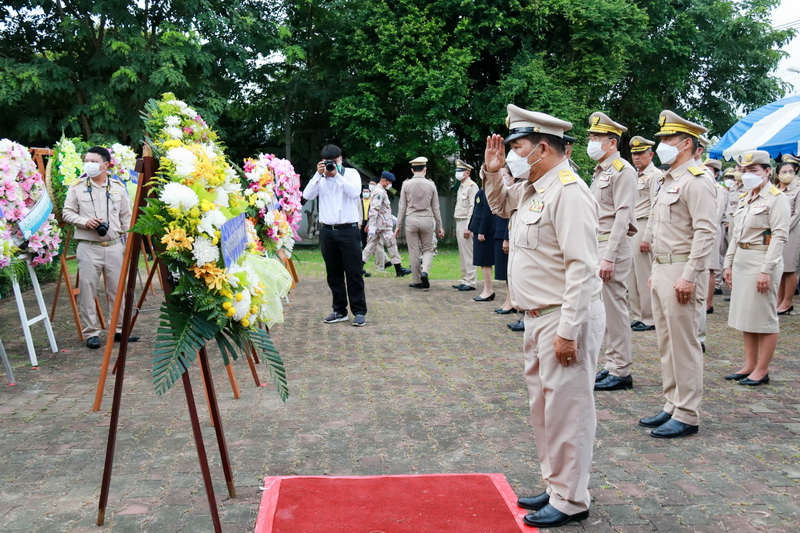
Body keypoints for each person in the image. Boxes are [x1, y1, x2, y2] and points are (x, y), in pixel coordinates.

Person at [484, 104, 604, 528]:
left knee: (568, 410)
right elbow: (499, 205)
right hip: (536, 315)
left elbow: (583, 268)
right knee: (544, 408)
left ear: (544, 149)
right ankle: (556, 486)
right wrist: (495, 170)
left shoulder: (568, 191)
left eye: (517, 147)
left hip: (562, 315)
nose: (512, 152)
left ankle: (572, 499)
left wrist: (569, 330)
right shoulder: (534, 188)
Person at [638, 110, 717, 438]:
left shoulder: (698, 180)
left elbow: (706, 231)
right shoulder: (670, 180)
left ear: (687, 143)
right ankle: (672, 402)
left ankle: (687, 413)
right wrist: (657, 269)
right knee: (666, 342)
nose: (663, 145)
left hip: (683, 269)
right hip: (663, 267)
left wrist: (689, 275)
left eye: (668, 139)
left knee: (684, 344)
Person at [724, 150, 789, 386]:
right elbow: (735, 235)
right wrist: (728, 263)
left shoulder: (775, 197)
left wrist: (766, 270)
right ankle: (749, 364)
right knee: (747, 316)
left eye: (753, 170)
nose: (747, 174)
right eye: (744, 170)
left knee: (764, 317)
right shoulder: (745, 197)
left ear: (767, 171)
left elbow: (780, 236)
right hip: (742, 258)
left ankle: (762, 370)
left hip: (762, 259)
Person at [62, 146, 137, 349]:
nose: (89, 164)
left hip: (114, 246)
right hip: (88, 246)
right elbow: (67, 213)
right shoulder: (76, 186)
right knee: (87, 289)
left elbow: (126, 218)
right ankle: (91, 333)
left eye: (94, 161)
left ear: (106, 164)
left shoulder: (117, 187)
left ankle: (119, 330)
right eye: (87, 160)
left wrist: (130, 242)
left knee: (117, 290)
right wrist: (85, 221)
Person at [586, 112, 637, 392]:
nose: (592, 142)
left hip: (612, 246)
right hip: (599, 243)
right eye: (591, 137)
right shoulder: (602, 171)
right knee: (605, 309)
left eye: (597, 138)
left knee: (615, 309)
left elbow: (622, 216)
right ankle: (612, 363)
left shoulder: (622, 170)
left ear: (612, 142)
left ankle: (621, 370)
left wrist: (608, 255)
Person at [302, 144, 368, 326]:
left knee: (354, 272)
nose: (332, 165)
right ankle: (339, 310)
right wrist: (318, 174)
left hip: (349, 230)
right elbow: (306, 195)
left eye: (335, 161)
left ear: (341, 159)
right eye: (328, 162)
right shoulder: (320, 178)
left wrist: (336, 175)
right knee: (333, 274)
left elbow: (355, 193)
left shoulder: (351, 174)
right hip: (327, 231)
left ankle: (359, 311)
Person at [395, 157, 444, 290]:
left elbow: (402, 207)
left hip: (411, 220)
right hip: (427, 219)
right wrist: (440, 226)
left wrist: (398, 226)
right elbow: (436, 207)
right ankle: (425, 271)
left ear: (412, 170)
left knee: (414, 251)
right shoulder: (431, 184)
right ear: (425, 170)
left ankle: (417, 280)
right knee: (428, 249)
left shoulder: (406, 184)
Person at [628, 136, 662, 333]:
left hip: (643, 225)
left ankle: (650, 317)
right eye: (634, 153)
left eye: (640, 153)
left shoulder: (655, 176)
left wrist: (647, 236)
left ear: (651, 154)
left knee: (643, 274)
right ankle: (639, 313)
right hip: (632, 226)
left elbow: (654, 207)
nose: (636, 157)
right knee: (631, 276)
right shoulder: (635, 175)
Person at [361, 171, 412, 277]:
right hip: (382, 226)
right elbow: (375, 209)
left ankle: (357, 268)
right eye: (389, 182)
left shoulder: (380, 190)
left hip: (381, 224)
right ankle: (399, 270)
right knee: (392, 245)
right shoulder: (379, 191)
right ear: (385, 181)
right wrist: (372, 225)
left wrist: (391, 218)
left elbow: (382, 209)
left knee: (369, 247)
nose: (390, 185)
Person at [774, 161, 800, 314]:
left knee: (790, 268)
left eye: (791, 171)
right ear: (777, 174)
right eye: (784, 172)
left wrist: (782, 229)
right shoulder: (774, 190)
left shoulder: (797, 190)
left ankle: (787, 302)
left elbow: (797, 213)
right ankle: (779, 300)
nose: (788, 174)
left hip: (791, 232)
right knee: (779, 267)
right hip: (775, 233)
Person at [452, 159, 479, 291]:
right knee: (462, 254)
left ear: (467, 173)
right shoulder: (461, 186)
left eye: (460, 171)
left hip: (466, 223)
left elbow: (473, 208)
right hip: (459, 222)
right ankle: (465, 279)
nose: (457, 173)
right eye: (457, 171)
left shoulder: (471, 186)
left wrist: (469, 226)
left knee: (468, 253)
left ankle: (471, 281)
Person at [468, 186, 496, 301]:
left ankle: (488, 290)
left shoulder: (489, 191)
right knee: (482, 261)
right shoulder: (483, 190)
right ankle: (486, 289)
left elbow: (487, 212)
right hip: (478, 229)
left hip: (484, 232)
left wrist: (482, 231)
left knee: (485, 261)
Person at [493, 166, 514, 314]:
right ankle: (508, 300)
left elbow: (512, 219)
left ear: (512, 177)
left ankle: (511, 302)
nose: (502, 178)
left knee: (510, 272)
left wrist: (506, 238)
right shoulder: (505, 192)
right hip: (500, 232)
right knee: (505, 273)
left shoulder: (517, 192)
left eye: (504, 175)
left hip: (507, 235)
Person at [358, 185, 372, 277]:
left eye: (367, 191)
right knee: (363, 238)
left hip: (370, 221)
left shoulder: (373, 202)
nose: (365, 193)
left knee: (371, 240)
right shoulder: (360, 201)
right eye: (364, 191)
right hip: (361, 222)